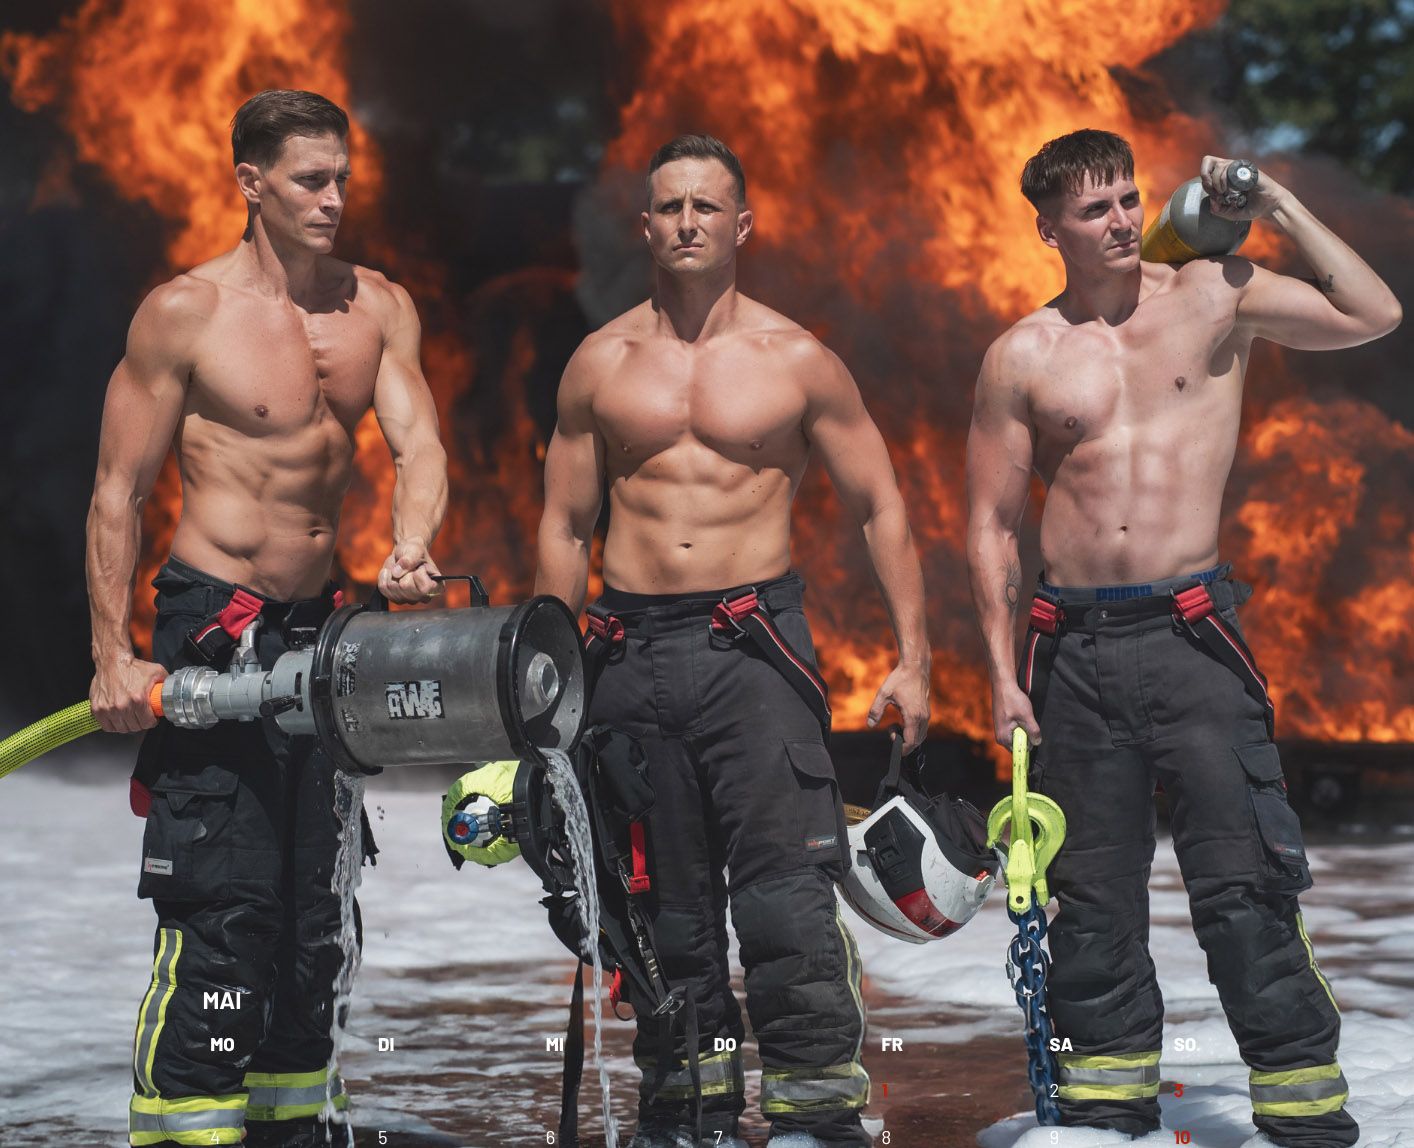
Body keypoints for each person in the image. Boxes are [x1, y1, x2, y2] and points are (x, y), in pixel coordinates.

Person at [966, 128, 1400, 1146]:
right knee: (1091, 905)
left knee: (1246, 884)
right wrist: (997, 676)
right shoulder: (1021, 353)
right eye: (1092, 209)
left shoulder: (1218, 293)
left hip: (1194, 638)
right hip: (1070, 653)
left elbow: (1371, 311)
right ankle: (1102, 1117)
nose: (1119, 222)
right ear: (1048, 229)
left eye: (1127, 199)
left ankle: (1304, 1114)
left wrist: (1279, 205)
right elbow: (988, 527)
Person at [535, 133, 930, 1148]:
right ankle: (690, 1105)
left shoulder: (797, 359)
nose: (687, 222)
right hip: (626, 655)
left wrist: (914, 654)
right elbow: (565, 526)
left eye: (706, 206)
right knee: (662, 910)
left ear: (741, 223)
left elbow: (880, 503)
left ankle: (817, 1113)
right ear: (646, 225)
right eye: (669, 207)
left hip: (751, 649)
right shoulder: (600, 363)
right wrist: (545, 681)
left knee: (786, 894)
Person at [86, 89, 447, 1148]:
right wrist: (112, 651)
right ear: (251, 183)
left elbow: (418, 444)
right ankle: (186, 1125)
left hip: (325, 635)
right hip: (215, 627)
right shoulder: (184, 313)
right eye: (310, 179)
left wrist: (414, 540)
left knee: (314, 918)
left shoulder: (378, 305)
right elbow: (118, 489)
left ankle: (293, 1122)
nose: (335, 198)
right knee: (225, 906)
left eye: (343, 177)